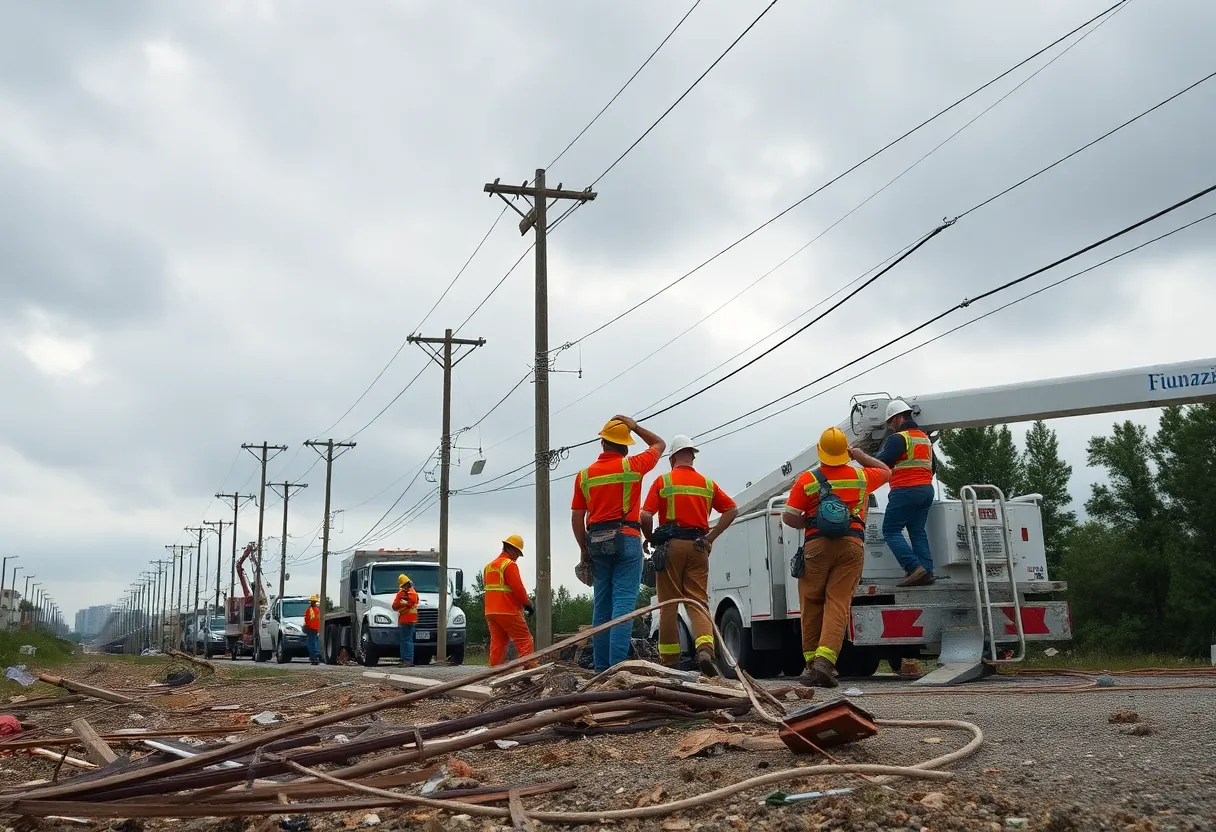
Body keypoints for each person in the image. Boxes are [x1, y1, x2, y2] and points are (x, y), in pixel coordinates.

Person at [783, 426, 890, 687]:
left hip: (816, 546)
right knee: (838, 603)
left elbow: (788, 516)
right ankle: (825, 662)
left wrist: (807, 520)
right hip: (852, 545)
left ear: (821, 452)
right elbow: (887, 472)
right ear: (845, 452)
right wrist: (860, 455)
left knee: (811, 603)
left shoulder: (807, 479)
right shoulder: (862, 477)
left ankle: (811, 665)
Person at [571, 414, 665, 672]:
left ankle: (601, 670)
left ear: (602, 444)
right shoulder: (632, 466)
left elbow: (577, 517)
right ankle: (616, 668)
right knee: (623, 605)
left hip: (597, 543)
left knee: (602, 607)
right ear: (624, 446)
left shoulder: (584, 476)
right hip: (627, 539)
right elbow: (659, 445)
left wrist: (584, 550)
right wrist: (634, 426)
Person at [640, 435, 737, 676]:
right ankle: (704, 649)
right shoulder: (707, 484)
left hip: (671, 548)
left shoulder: (663, 482)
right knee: (697, 602)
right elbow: (732, 509)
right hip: (698, 548)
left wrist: (651, 538)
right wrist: (709, 539)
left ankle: (670, 661)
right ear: (692, 455)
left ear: (672, 457)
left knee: (669, 606)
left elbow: (645, 516)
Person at [876, 399, 936, 587]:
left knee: (891, 530)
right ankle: (926, 571)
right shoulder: (924, 439)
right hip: (926, 490)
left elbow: (881, 463)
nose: (890, 427)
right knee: (917, 531)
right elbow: (932, 467)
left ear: (899, 418)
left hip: (905, 490)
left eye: (891, 422)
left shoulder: (899, 438)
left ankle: (913, 567)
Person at [484, 534, 536, 666]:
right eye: (518, 553)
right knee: (525, 640)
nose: (517, 557)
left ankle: (494, 674)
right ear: (511, 549)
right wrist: (528, 604)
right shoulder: (509, 565)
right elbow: (518, 588)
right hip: (508, 611)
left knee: (498, 643)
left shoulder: (489, 567)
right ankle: (528, 672)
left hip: (491, 612)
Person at [391, 574, 419, 667]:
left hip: (406, 619)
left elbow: (395, 605)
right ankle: (405, 659)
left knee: (406, 640)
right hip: (409, 620)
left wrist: (402, 603)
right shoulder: (413, 593)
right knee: (406, 640)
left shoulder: (405, 594)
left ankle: (407, 660)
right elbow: (396, 605)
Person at [303, 594, 322, 665]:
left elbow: (307, 619)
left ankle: (314, 657)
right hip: (316, 629)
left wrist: (306, 626)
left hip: (310, 629)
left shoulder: (310, 610)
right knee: (315, 642)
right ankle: (316, 656)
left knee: (311, 644)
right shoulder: (317, 610)